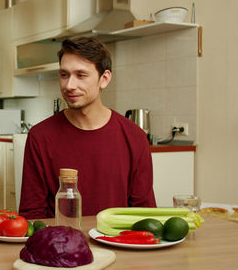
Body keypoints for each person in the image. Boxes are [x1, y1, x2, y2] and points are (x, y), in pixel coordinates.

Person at [19, 37, 156, 219]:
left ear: (104, 79)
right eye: (64, 75)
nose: (69, 85)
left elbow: (145, 215)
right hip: (61, 245)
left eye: (81, 75)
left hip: (119, 244)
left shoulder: (135, 137)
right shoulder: (40, 136)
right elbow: (32, 215)